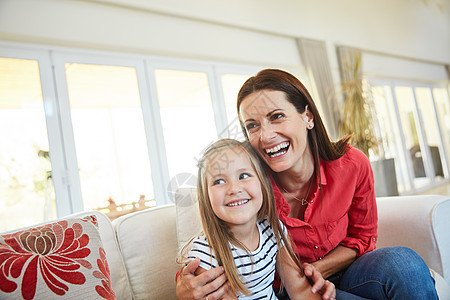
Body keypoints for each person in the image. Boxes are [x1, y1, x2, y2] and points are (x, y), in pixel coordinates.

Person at [177, 68, 438, 299]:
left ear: (308, 116)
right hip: (288, 291)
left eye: (277, 116)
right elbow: (217, 237)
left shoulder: (352, 164)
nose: (266, 135)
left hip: (347, 273)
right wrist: (185, 284)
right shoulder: (250, 186)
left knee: (405, 265)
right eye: (252, 126)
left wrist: (316, 269)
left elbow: (362, 238)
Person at [182, 138, 326, 299]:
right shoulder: (205, 253)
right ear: (206, 196)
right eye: (219, 181)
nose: (234, 189)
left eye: (243, 175)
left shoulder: (272, 229)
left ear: (262, 184)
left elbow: (300, 291)